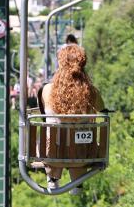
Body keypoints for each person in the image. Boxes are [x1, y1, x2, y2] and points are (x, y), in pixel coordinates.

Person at [39, 44, 104, 192]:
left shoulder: (47, 90)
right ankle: (77, 182)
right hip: (83, 152)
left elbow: (44, 114)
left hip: (53, 153)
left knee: (50, 138)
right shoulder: (91, 93)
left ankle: (53, 178)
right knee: (80, 140)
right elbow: (102, 109)